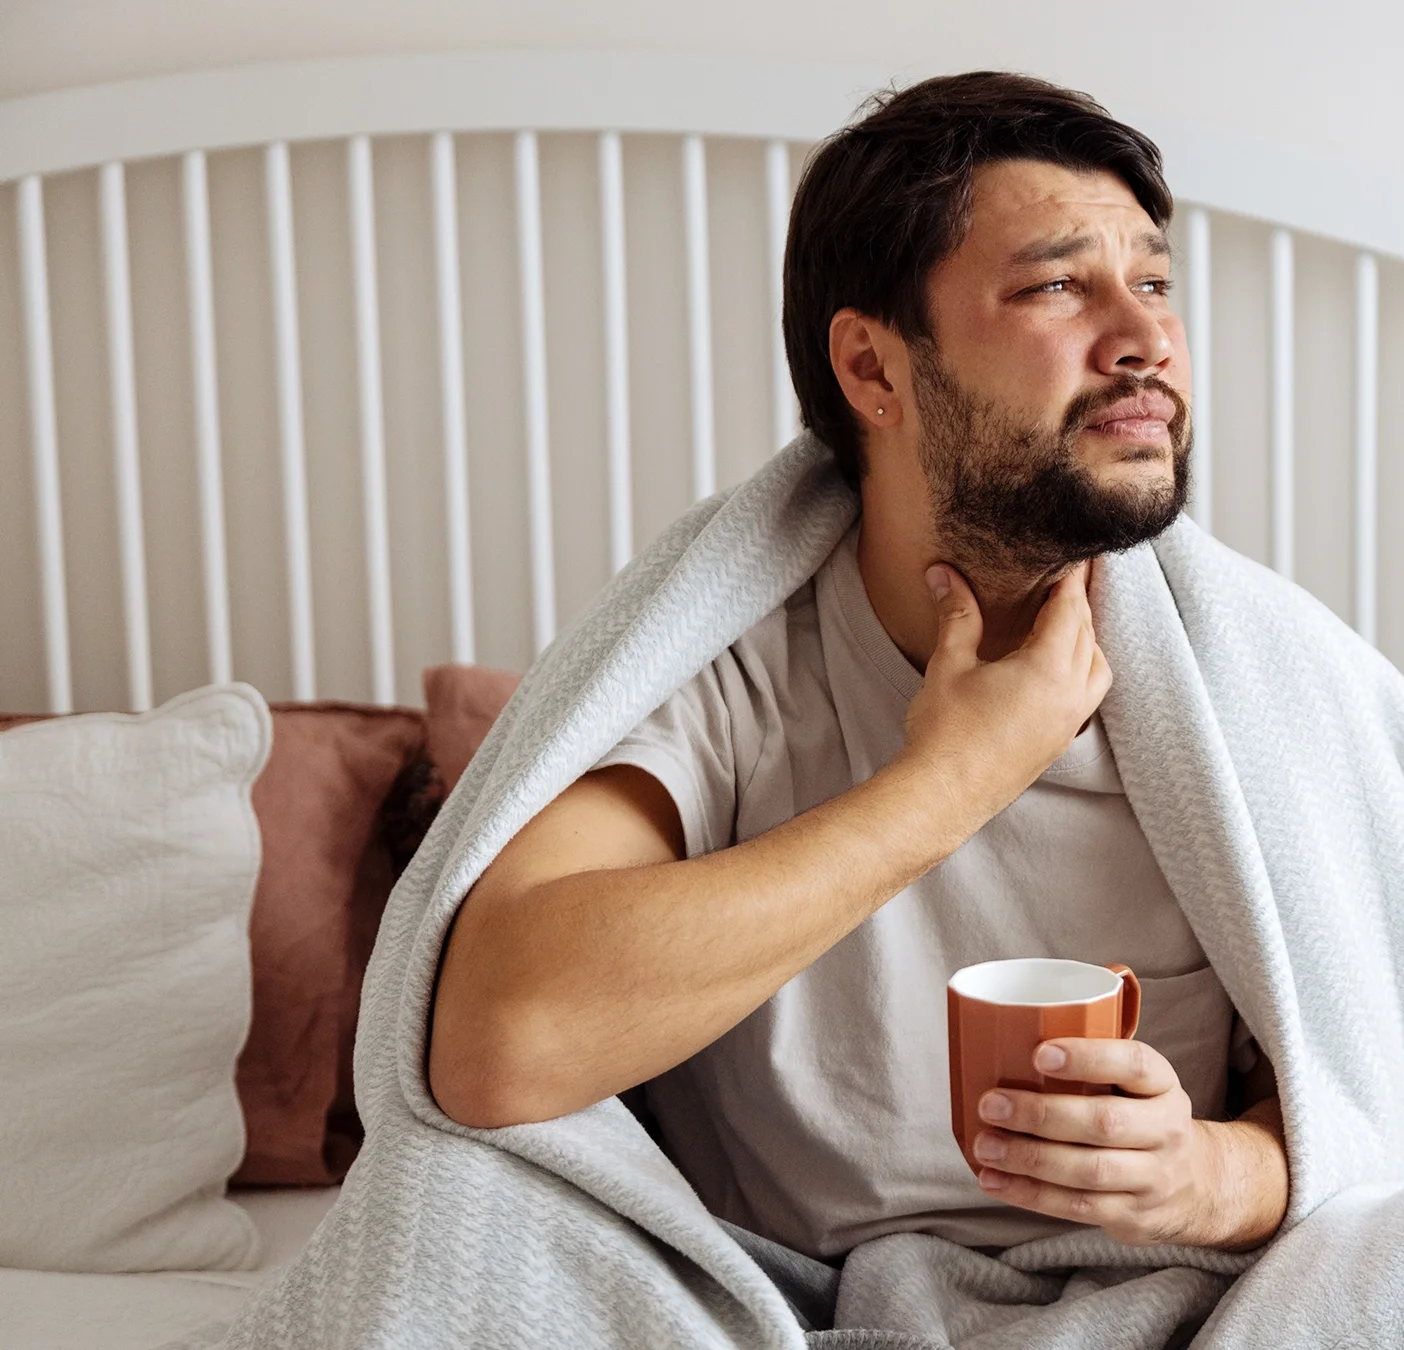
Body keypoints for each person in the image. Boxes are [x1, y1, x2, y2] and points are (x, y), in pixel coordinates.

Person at [429, 71, 1288, 1260]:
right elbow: (495, 1046)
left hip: (1196, 1304)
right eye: (1057, 285)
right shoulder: (729, 661)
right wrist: (948, 784)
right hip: (790, 1307)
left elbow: (1389, 1095)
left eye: (1152, 283)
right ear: (873, 371)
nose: (1145, 339)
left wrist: (1211, 1178)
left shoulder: (1265, 685)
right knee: (432, 1219)